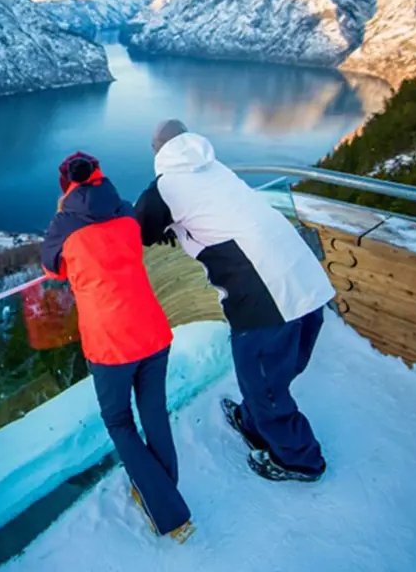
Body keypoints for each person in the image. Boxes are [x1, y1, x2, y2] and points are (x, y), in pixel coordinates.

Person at [135, 120, 335, 482]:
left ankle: (300, 460)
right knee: (272, 374)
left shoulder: (165, 187)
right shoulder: (215, 167)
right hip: (307, 282)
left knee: (264, 383)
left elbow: (134, 231)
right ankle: (252, 423)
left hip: (267, 299)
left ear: (159, 150)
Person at [41, 151, 195, 542]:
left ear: (66, 186)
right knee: (154, 413)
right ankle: (163, 487)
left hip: (110, 342)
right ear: (99, 175)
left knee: (119, 422)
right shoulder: (126, 211)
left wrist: (64, 214)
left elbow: (51, 268)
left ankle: (169, 511)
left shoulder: (64, 223)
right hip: (152, 328)